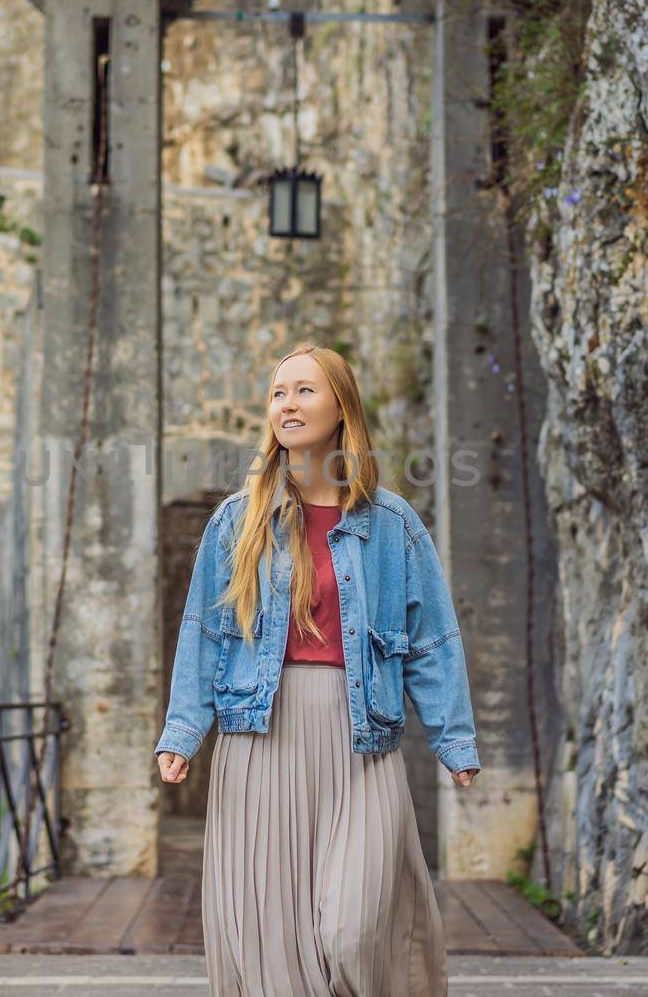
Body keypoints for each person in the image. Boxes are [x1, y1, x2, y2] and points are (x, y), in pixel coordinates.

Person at [154, 341, 480, 997]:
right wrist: (183, 730)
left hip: (361, 741)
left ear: (341, 407)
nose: (288, 403)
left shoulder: (392, 523)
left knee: (353, 928)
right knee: (272, 940)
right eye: (278, 392)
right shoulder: (236, 522)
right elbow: (205, 632)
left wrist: (454, 739)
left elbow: (432, 637)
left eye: (304, 389)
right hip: (260, 740)